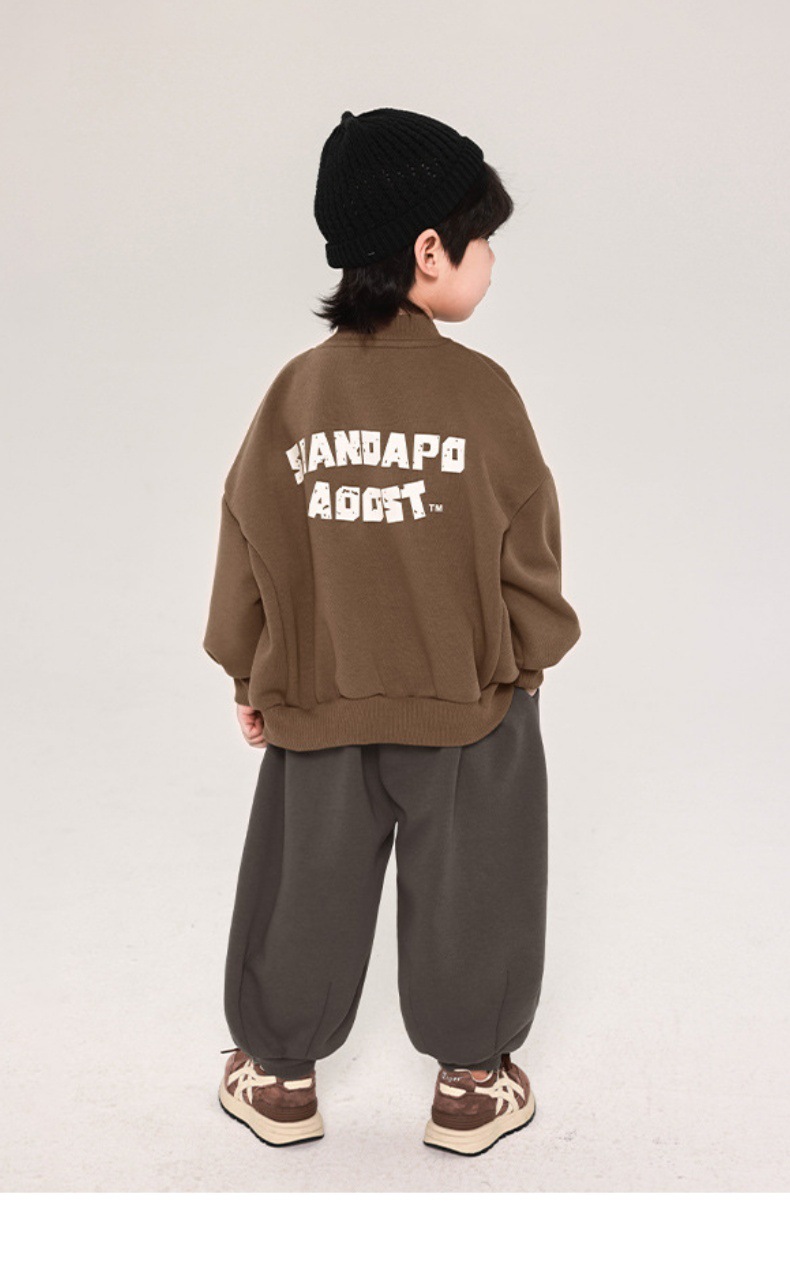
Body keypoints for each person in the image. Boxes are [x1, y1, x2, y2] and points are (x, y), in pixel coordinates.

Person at [203, 107, 581, 1157]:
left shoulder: (297, 391)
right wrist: (528, 657)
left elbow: (248, 537)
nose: (491, 259)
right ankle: (471, 1084)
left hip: (320, 694)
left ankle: (280, 1077)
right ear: (428, 250)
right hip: (468, 702)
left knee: (303, 880)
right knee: (477, 883)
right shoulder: (482, 394)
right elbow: (527, 547)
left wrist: (249, 673)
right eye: (482, 238)